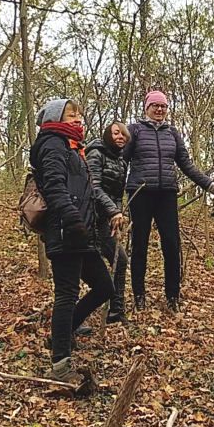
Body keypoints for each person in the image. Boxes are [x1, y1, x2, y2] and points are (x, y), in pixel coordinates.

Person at [30, 98, 115, 385]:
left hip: (82, 233)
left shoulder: (73, 146)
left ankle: (61, 335)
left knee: (105, 287)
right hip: (67, 230)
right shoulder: (52, 144)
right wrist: (71, 218)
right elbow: (54, 186)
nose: (78, 119)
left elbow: (85, 190)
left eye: (79, 114)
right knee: (66, 294)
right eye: (71, 115)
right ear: (56, 117)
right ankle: (60, 363)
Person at [122, 91, 214, 312]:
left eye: (163, 106)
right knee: (139, 245)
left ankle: (173, 296)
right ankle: (139, 296)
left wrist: (210, 186)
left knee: (171, 244)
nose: (159, 110)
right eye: (155, 106)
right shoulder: (135, 131)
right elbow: (121, 162)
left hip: (166, 193)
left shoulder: (173, 134)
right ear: (146, 108)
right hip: (140, 193)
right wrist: (112, 196)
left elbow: (187, 165)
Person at [83, 121, 131, 327]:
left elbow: (117, 192)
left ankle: (116, 311)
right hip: (89, 217)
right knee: (82, 268)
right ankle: (76, 317)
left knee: (119, 260)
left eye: (124, 135)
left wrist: (116, 215)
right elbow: (94, 187)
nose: (120, 137)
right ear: (107, 135)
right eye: (116, 133)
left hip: (108, 219)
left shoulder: (121, 161)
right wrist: (112, 210)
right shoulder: (95, 153)